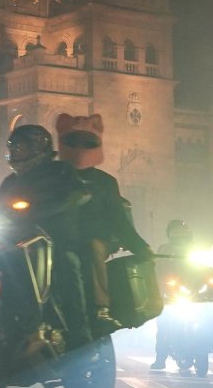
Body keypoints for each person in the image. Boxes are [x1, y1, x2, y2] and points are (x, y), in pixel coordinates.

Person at [54, 113, 153, 332]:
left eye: (85, 142)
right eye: (73, 141)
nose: (79, 147)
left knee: (93, 248)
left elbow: (119, 220)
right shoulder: (52, 176)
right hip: (54, 240)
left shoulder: (105, 182)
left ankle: (100, 308)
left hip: (90, 241)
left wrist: (140, 246)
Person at [0, 124, 92, 348]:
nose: (16, 153)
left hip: (54, 240)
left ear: (38, 148)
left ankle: (80, 340)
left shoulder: (60, 171)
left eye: (21, 148)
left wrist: (65, 203)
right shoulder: (10, 182)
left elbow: (81, 192)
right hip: (16, 244)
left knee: (67, 266)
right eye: (14, 148)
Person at [151, 219, 213, 373]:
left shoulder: (196, 250)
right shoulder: (164, 250)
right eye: (176, 233)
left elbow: (206, 267)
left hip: (198, 295)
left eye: (182, 233)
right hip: (172, 295)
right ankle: (160, 359)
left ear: (188, 234)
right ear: (170, 235)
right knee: (163, 325)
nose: (180, 236)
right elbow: (157, 270)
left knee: (211, 326)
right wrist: (158, 286)